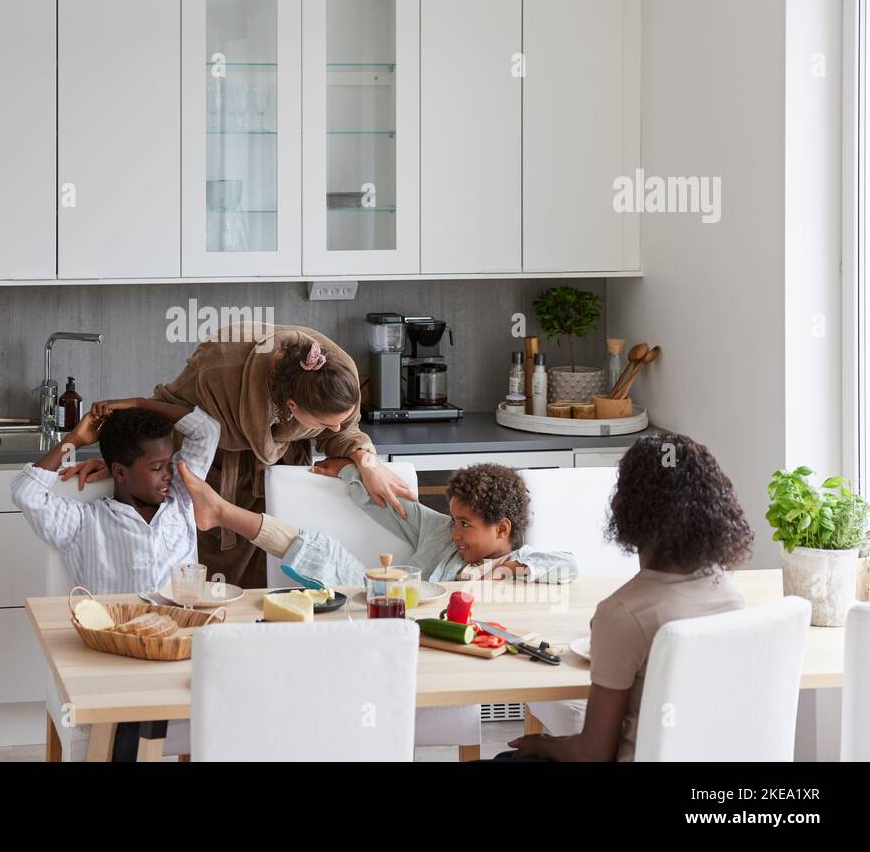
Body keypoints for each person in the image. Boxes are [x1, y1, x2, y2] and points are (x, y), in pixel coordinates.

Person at [59, 322, 415, 588]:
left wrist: (366, 459)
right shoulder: (220, 367)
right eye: (324, 424)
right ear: (292, 406)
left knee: (281, 572)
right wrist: (125, 464)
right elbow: (171, 413)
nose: (332, 432)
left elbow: (347, 429)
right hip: (215, 474)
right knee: (217, 581)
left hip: (281, 476)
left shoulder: (337, 374)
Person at [504, 433, 751, 761]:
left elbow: (592, 754)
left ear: (626, 508)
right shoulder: (732, 597)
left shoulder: (622, 614)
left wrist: (542, 744)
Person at [175, 456, 578, 587]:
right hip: (387, 606)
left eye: (466, 525)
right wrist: (353, 468)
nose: (455, 533)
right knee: (323, 548)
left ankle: (221, 511)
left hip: (456, 640)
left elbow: (568, 566)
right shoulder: (438, 530)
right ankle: (221, 511)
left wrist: (513, 569)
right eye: (455, 520)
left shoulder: (524, 561)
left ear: (503, 529)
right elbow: (384, 504)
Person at [10, 397, 220, 595]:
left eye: (169, 465)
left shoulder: (181, 496)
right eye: (157, 468)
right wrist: (75, 439)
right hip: (113, 630)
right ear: (120, 472)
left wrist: (139, 403)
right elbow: (26, 493)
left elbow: (206, 430)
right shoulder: (83, 523)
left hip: (181, 628)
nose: (168, 475)